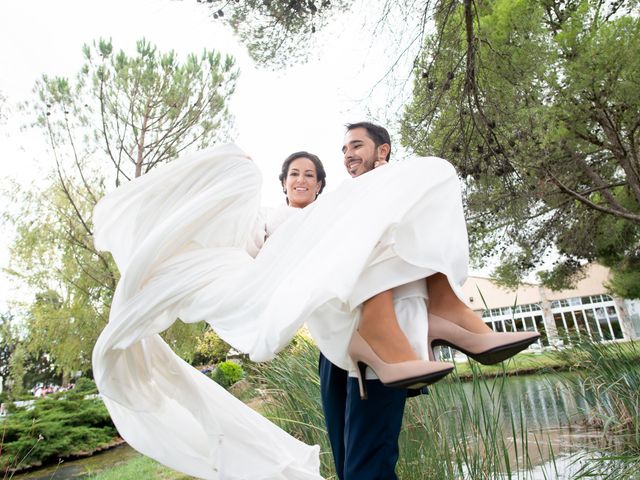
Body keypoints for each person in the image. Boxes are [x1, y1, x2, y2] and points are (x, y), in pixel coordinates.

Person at [319, 122, 539, 480]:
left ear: (383, 151)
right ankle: (445, 315)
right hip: (337, 340)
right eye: (343, 149)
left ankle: (446, 310)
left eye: (356, 146)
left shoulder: (396, 197)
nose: (347, 155)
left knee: (369, 460)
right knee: (349, 462)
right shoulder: (341, 203)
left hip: (393, 333)